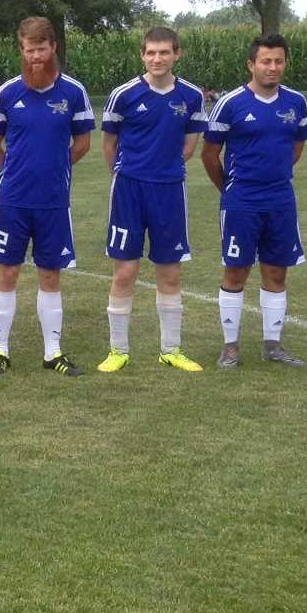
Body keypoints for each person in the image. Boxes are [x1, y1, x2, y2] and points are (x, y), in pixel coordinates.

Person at [0, 17, 95, 378]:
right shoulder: (7, 93)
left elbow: (83, 143)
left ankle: (53, 352)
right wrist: (14, 171)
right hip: (14, 201)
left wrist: (56, 166)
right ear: (22, 50)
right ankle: (1, 350)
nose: (35, 57)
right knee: (8, 271)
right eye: (29, 50)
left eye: (41, 49)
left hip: (53, 201)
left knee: (51, 274)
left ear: (53, 47)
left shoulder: (73, 92)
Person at [98, 26, 208, 372]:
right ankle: (118, 350)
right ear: (142, 55)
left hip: (169, 190)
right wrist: (127, 172)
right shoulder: (123, 95)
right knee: (125, 271)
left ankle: (170, 350)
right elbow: (109, 145)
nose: (157, 59)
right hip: (129, 189)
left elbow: (189, 144)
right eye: (151, 53)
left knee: (170, 271)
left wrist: (166, 167)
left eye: (164, 52)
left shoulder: (191, 96)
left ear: (177, 54)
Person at [201, 33, 307, 369]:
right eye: (265, 61)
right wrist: (230, 189)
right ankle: (230, 347)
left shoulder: (296, 102)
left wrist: (275, 173)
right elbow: (209, 154)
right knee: (236, 271)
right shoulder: (230, 103)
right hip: (241, 200)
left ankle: (273, 346)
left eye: (278, 61)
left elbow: (296, 146)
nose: (272, 67)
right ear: (251, 64)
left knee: (277, 271)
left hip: (280, 199)